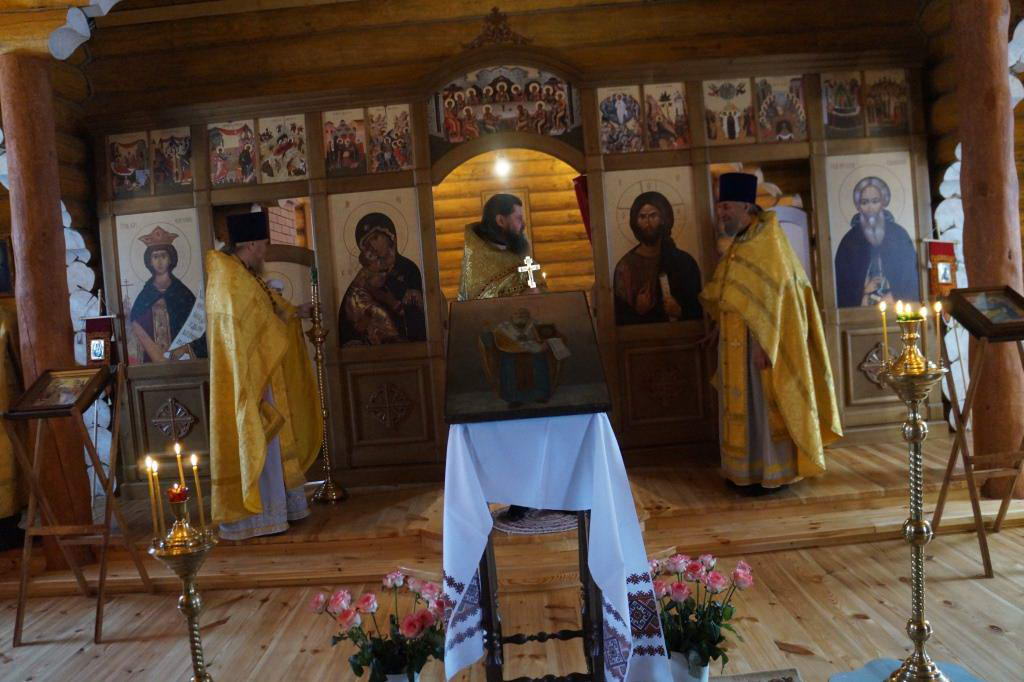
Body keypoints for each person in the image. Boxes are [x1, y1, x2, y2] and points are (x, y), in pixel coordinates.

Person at [700, 172, 842, 492]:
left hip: (760, 344)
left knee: (762, 408)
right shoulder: (743, 240)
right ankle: (743, 472)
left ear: (746, 206)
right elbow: (733, 294)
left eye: (727, 206)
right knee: (744, 409)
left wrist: (765, 345)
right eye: (720, 207)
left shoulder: (767, 241)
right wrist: (719, 327)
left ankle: (769, 474)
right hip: (735, 342)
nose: (721, 213)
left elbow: (775, 300)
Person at [206, 212, 322, 541]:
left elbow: (266, 308)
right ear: (251, 244)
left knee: (272, 442)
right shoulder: (229, 277)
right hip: (248, 378)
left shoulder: (242, 273)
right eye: (264, 244)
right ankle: (258, 518)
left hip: (262, 370)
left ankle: (280, 509)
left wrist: (295, 312)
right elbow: (249, 325)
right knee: (259, 442)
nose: (266, 250)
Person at [458, 194, 548, 522]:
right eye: (517, 218)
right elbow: (476, 304)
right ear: (500, 219)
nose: (522, 224)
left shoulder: (521, 250)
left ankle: (546, 490)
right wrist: (518, 300)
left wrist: (537, 295)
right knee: (506, 431)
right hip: (501, 350)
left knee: (536, 426)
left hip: (530, 346)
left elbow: (537, 285)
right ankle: (515, 495)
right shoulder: (477, 256)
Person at [613, 191, 702, 325]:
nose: (648, 222)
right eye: (642, 217)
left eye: (653, 216)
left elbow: (699, 309)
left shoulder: (684, 262)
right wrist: (638, 310)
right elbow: (619, 317)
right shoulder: (625, 266)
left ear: (663, 219)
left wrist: (679, 311)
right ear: (635, 222)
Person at [339, 212, 426, 345]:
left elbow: (417, 315)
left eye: (375, 238)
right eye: (367, 244)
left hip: (408, 349)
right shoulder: (365, 277)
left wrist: (391, 301)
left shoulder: (408, 269)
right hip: (374, 351)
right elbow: (349, 324)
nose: (372, 246)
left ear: (390, 236)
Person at [834, 176, 919, 308]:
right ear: (858, 206)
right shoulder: (849, 241)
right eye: (864, 202)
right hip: (861, 309)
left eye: (875, 201)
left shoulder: (899, 235)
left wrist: (896, 295)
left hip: (895, 306)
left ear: (883, 202)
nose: (870, 207)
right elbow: (843, 284)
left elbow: (910, 276)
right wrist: (863, 291)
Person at [128, 226, 207, 364]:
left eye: (163, 256)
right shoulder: (146, 295)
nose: (159, 262)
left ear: (171, 259)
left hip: (182, 362)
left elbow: (196, 326)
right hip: (152, 363)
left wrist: (182, 349)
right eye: (155, 257)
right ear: (149, 261)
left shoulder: (182, 293)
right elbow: (135, 323)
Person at [458, 193, 543, 301]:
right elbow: (478, 306)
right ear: (501, 221)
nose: (523, 224)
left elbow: (541, 291)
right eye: (518, 218)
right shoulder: (476, 264)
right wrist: (521, 300)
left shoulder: (520, 254)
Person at [480, 308, 563, 406]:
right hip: (511, 354)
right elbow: (492, 343)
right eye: (516, 313)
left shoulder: (537, 324)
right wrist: (486, 333)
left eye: (523, 313)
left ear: (528, 316)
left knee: (539, 363)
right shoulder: (503, 328)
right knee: (508, 364)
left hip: (534, 352)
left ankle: (540, 395)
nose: (519, 315)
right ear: (512, 316)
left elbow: (550, 335)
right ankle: (513, 398)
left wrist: (549, 341)